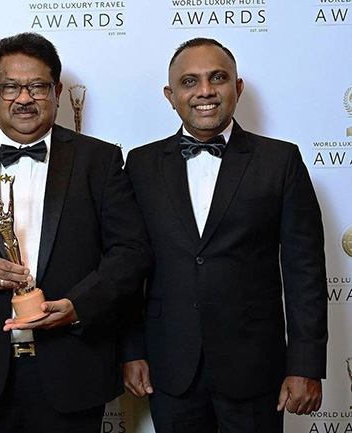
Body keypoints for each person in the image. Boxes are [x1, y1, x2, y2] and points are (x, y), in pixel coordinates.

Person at [0, 32, 151, 433]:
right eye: (10, 87)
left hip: (75, 366)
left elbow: (129, 253)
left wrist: (78, 305)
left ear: (57, 92)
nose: (23, 98)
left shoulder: (100, 160)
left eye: (37, 86)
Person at [121, 37, 328, 432]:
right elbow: (129, 268)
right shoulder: (141, 164)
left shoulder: (280, 160)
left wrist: (305, 365)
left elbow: (306, 273)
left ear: (238, 87)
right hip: (169, 367)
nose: (205, 91)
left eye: (217, 78)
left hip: (255, 368)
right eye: (189, 81)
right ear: (170, 95)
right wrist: (131, 351)